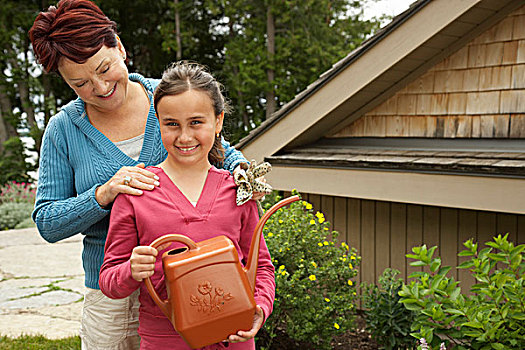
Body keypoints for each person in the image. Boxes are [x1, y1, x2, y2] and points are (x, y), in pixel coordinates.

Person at [29, 1, 250, 348]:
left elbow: (220, 151)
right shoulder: (63, 130)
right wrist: (103, 193)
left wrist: (244, 174)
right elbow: (47, 222)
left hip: (187, 280)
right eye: (80, 83)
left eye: (104, 68)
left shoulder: (168, 95)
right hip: (111, 294)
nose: (100, 88)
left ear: (119, 46)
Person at [99, 61, 275, 350]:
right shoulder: (136, 192)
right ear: (158, 122)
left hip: (235, 340)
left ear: (218, 122)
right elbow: (109, 280)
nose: (184, 137)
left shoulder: (238, 191)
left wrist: (260, 307)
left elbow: (262, 267)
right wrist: (131, 270)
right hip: (164, 342)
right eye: (172, 124)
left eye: (196, 122)